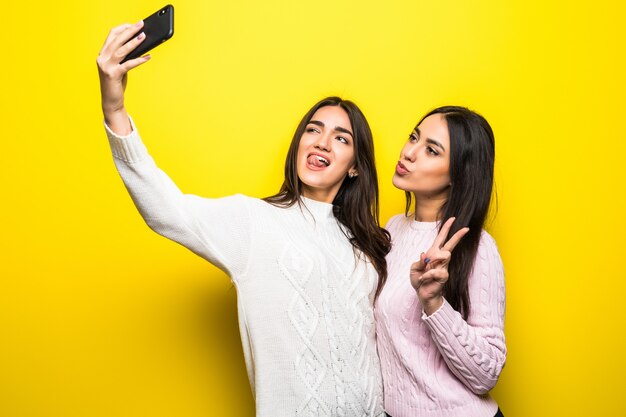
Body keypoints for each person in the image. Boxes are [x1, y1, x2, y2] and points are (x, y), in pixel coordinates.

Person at [97, 21, 391, 417]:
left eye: (341, 138)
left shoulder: (367, 248)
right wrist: (114, 108)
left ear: (355, 166)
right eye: (313, 130)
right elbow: (166, 208)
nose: (321, 141)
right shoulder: (255, 222)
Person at [375, 106, 506, 417]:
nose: (409, 152)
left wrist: (434, 303)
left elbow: (487, 374)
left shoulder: (475, 246)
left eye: (431, 150)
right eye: (413, 137)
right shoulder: (392, 230)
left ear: (456, 175)